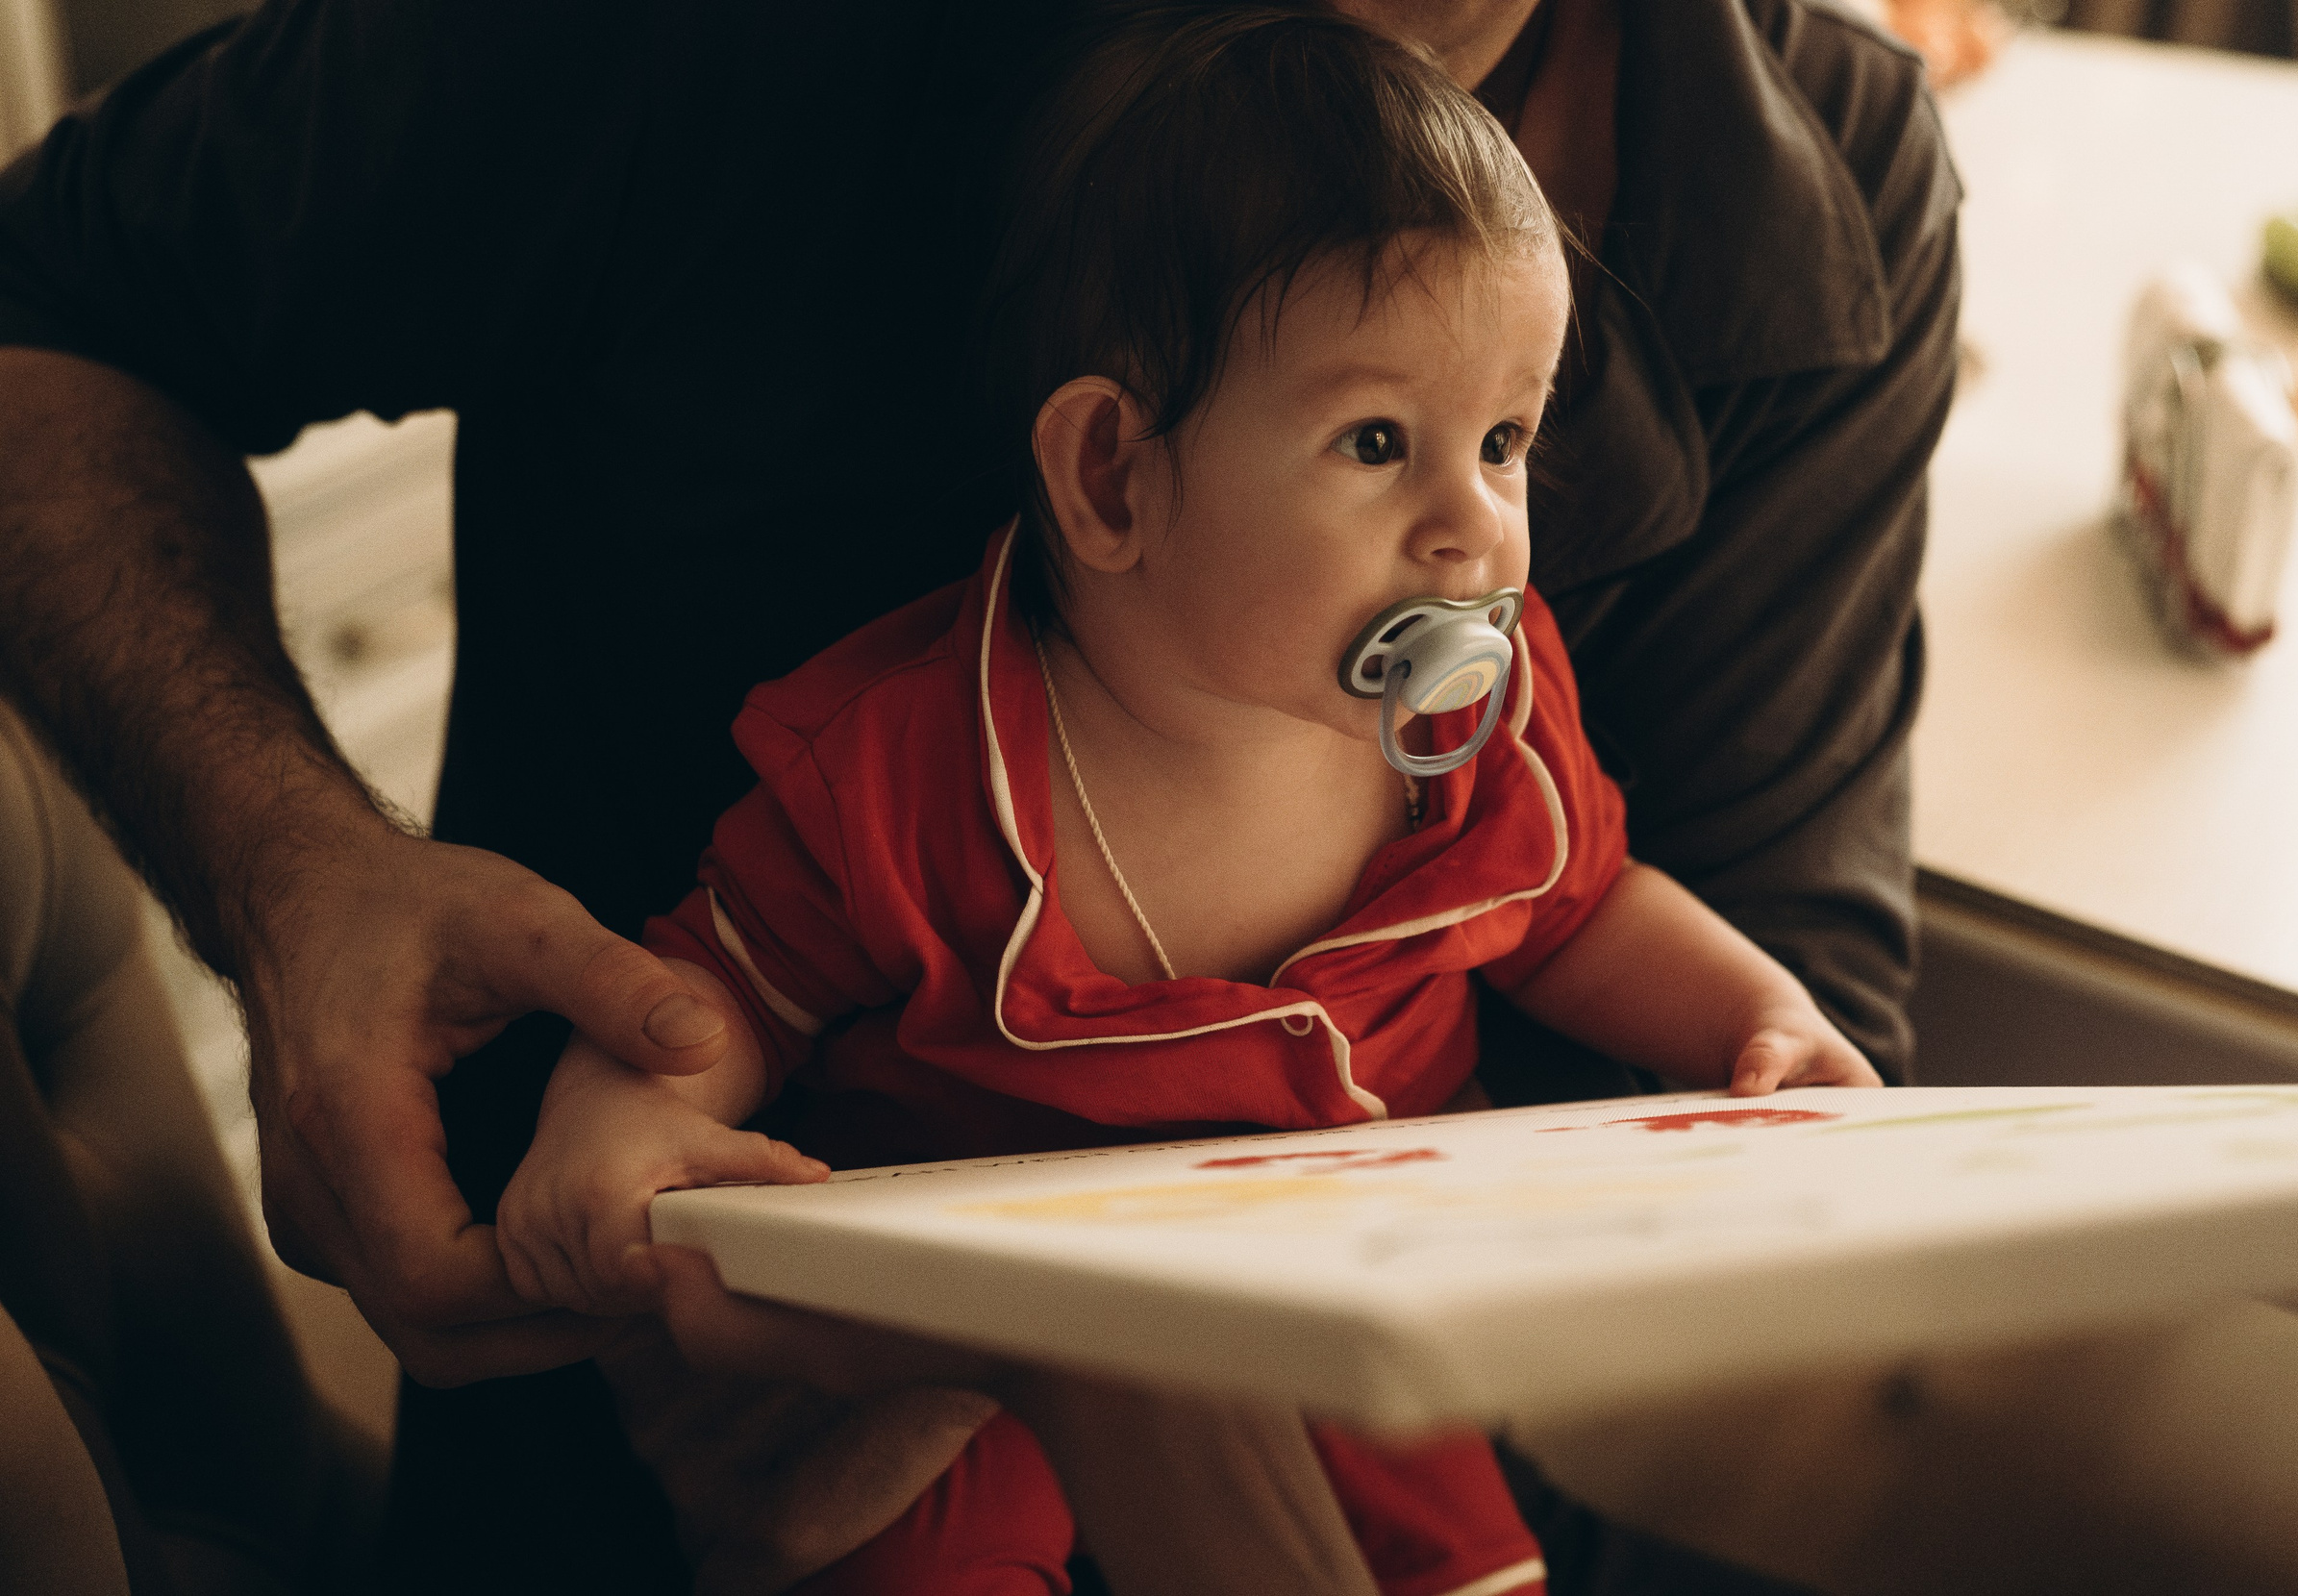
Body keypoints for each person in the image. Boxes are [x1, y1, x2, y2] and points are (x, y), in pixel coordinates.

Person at [0, 0, 1959, 1587]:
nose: (1468, 526)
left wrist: (1755, 1035)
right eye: (1376, 442)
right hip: (716, 1471)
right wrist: (307, 886)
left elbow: (1656, 955)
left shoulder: (1800, 210)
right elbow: (711, 1012)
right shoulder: (902, 772)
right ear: (1104, 474)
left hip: (1427, 1402)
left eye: (1507, 442)